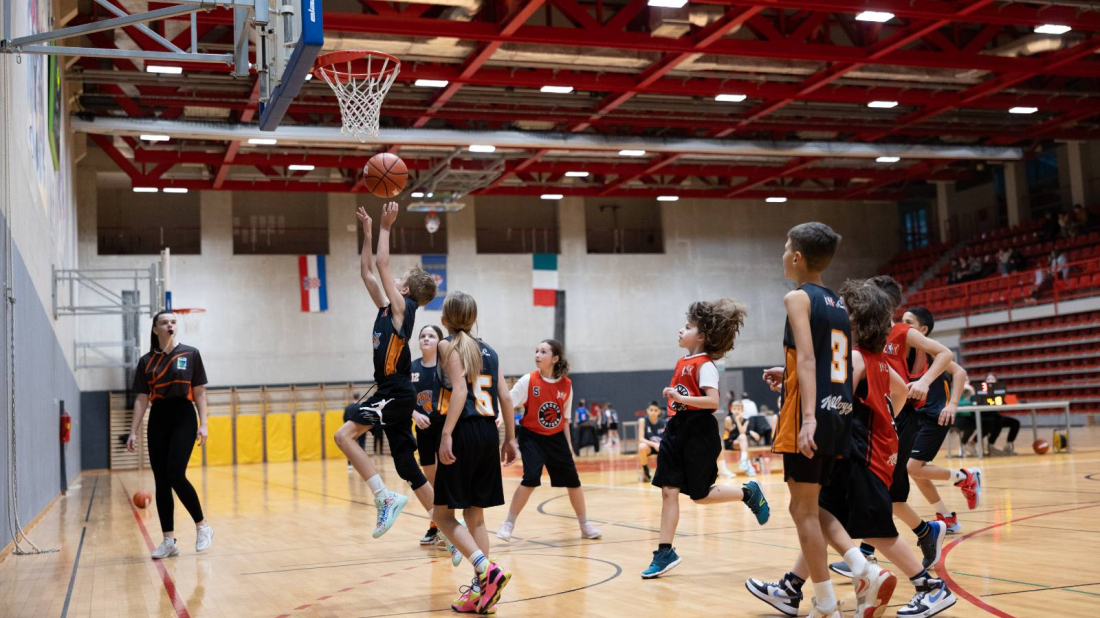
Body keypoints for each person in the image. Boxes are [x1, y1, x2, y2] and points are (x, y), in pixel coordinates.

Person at [747, 280, 957, 618]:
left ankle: (930, 587)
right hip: (871, 453)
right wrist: (886, 420)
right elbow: (901, 393)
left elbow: (834, 386)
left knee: (876, 530)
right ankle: (790, 588)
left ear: (854, 322)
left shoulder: (855, 359)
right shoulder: (878, 361)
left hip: (865, 458)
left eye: (844, 312)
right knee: (820, 518)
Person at [756, 223, 891, 618]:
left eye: (785, 247)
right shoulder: (836, 302)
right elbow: (828, 364)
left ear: (797, 257)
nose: (783, 253)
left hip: (810, 413)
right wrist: (790, 375)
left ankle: (835, 597)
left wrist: (808, 418)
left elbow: (812, 359)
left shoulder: (797, 298)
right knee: (808, 508)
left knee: (803, 510)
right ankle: (852, 577)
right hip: (840, 410)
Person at [333, 202, 442, 542]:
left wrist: (385, 226)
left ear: (406, 290)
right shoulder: (386, 307)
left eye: (399, 280)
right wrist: (366, 234)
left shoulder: (401, 308)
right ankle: (449, 530)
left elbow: (381, 263)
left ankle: (383, 496)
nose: (392, 280)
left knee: (343, 435)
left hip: (394, 391)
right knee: (408, 467)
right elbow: (367, 271)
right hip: (394, 391)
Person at [642, 299, 770, 579]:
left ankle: (748, 493)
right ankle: (665, 552)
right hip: (676, 428)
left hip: (699, 431)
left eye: (686, 327)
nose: (680, 330)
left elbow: (712, 401)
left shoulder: (706, 364)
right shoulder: (682, 361)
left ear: (700, 336)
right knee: (668, 490)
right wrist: (676, 400)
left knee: (700, 495)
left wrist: (681, 398)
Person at [433, 291, 519, 614]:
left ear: (445, 319)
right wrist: (510, 438)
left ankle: (486, 569)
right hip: (488, 432)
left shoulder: (447, 345)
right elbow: (506, 399)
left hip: (463, 430)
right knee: (475, 515)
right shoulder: (491, 351)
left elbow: (459, 391)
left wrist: (445, 434)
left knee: (441, 514)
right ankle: (483, 591)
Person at [126, 310, 214, 559]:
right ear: (155, 329)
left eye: (173, 322)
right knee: (161, 480)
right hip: (158, 418)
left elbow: (200, 393)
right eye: (164, 322)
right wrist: (133, 431)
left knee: (176, 474)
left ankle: (203, 526)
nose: (169, 325)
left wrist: (203, 423)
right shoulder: (146, 361)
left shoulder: (191, 353)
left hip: (183, 416)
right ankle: (168, 540)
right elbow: (142, 399)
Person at [497, 339, 602, 542]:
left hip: (556, 439)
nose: (537, 354)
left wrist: (569, 447)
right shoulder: (529, 380)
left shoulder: (566, 385)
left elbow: (565, 419)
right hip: (531, 437)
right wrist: (500, 416)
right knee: (530, 479)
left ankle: (584, 525)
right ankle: (508, 524)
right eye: (536, 351)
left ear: (554, 358)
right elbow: (507, 401)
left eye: (543, 352)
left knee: (573, 481)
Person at [899, 308, 977, 536]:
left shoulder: (931, 351)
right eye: (901, 320)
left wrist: (953, 404)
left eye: (908, 322)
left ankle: (965, 477)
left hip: (935, 416)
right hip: (915, 417)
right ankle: (947, 518)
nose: (903, 325)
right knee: (917, 471)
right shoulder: (904, 352)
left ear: (922, 330)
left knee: (912, 467)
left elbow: (960, 373)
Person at [411, 325, 448, 548]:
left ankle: (447, 525)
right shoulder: (412, 367)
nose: (426, 339)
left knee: (444, 480)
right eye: (423, 336)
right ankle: (437, 526)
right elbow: (404, 398)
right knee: (431, 480)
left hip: (444, 428)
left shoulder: (445, 367)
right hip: (423, 429)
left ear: (440, 341)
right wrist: (414, 413)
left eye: (431, 336)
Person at [638, 402, 665, 482]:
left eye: (655, 410)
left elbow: (666, 438)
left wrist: (661, 445)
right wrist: (654, 444)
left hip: (660, 447)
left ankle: (665, 472)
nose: (653, 412)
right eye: (651, 410)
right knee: (641, 446)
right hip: (649, 447)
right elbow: (640, 438)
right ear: (647, 411)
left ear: (659, 412)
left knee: (670, 448)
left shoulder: (663, 423)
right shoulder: (643, 420)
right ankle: (646, 470)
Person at [343, 394, 369, 471]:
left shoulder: (348, 408)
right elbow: (365, 418)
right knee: (362, 446)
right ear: (359, 398)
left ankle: (349, 465)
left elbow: (344, 419)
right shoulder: (362, 407)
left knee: (350, 447)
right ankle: (363, 465)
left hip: (350, 430)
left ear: (353, 397)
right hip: (361, 429)